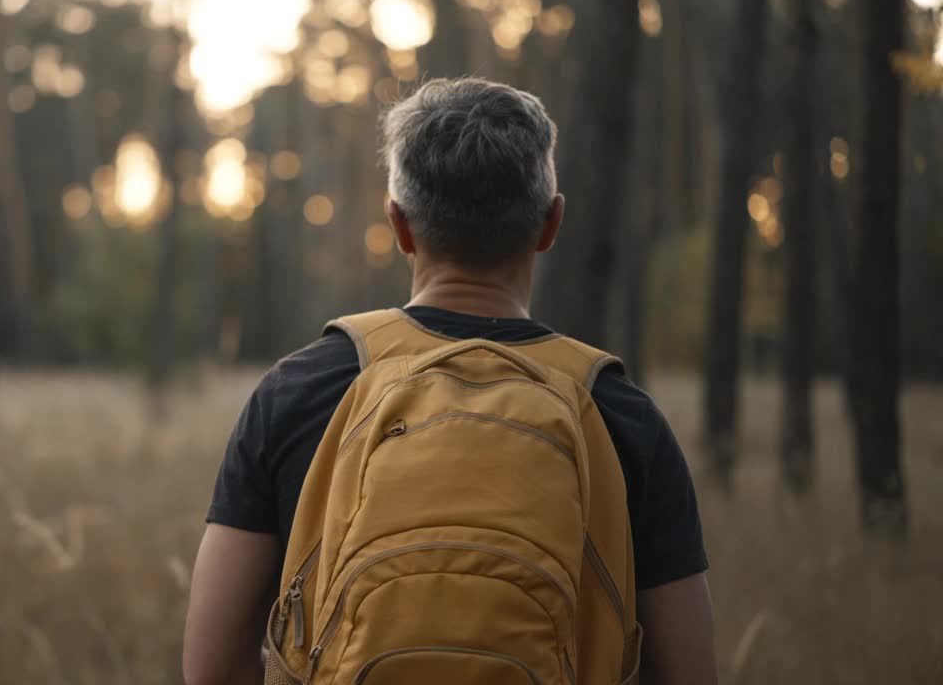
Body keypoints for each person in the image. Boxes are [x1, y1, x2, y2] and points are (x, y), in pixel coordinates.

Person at [182, 78, 716, 685]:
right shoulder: (620, 415)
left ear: (399, 225)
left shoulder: (299, 392)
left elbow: (213, 668)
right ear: (550, 224)